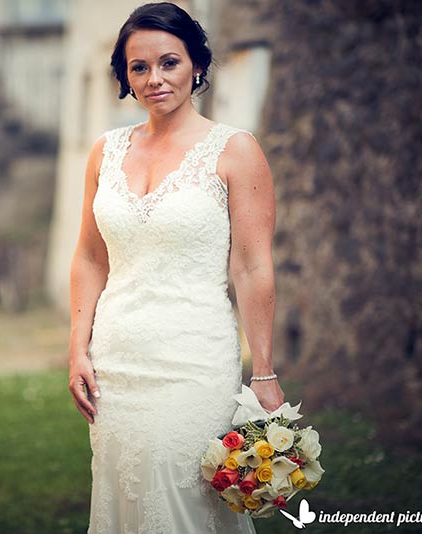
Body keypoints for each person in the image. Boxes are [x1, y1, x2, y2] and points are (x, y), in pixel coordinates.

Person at [68, 3, 284, 533]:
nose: (154, 79)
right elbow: (91, 256)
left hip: (193, 362)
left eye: (169, 62)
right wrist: (78, 346)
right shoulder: (105, 151)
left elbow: (254, 268)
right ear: (124, 75)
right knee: (124, 497)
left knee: (182, 498)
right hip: (115, 367)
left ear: (196, 64)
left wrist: (264, 372)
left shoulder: (235, 150)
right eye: (138, 67)